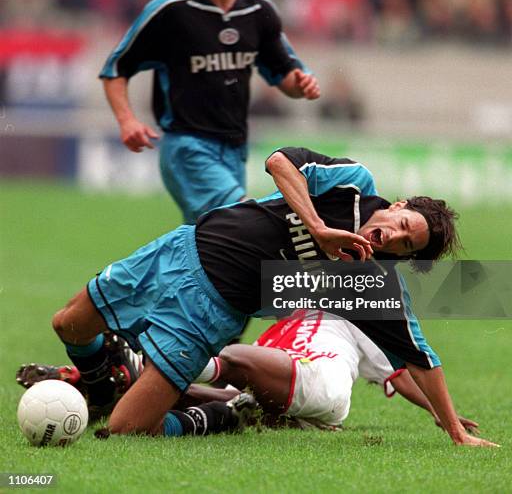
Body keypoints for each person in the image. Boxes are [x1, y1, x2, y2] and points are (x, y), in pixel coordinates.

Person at [47, 146, 497, 446]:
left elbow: (420, 356)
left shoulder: (369, 282)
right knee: (68, 323)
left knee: (129, 431)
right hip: (180, 250)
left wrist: (455, 429)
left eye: (406, 247)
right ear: (398, 205)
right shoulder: (352, 185)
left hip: (211, 312)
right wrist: (319, 229)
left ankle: (217, 417)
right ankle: (101, 382)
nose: (393, 239)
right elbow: (280, 161)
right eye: (402, 226)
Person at [100, 0, 320, 224]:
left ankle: (132, 276)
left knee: (212, 249)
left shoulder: (258, 12)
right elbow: (115, 69)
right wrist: (127, 120)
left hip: (234, 151)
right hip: (188, 147)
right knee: (245, 223)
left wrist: (301, 85)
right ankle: (120, 276)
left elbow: (285, 75)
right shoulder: (170, 12)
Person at [17, 310, 479, 437]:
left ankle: (138, 361)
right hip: (279, 395)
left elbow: (399, 373)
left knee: (233, 356)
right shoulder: (285, 319)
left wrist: (444, 416)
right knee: (174, 394)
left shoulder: (357, 315)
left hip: (320, 384)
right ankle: (116, 386)